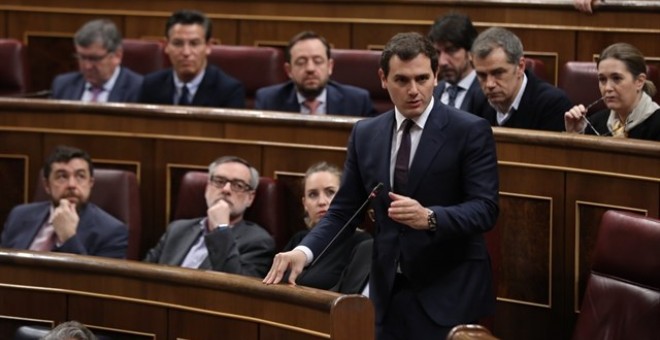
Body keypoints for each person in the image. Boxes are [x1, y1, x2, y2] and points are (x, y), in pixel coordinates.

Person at [264, 32, 499, 339]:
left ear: (435, 76)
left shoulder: (470, 130)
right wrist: (304, 252)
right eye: (402, 80)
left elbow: (485, 209)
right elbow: (343, 212)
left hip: (449, 291)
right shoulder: (366, 133)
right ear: (383, 78)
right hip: (386, 291)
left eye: (422, 78)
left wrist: (430, 217)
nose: (414, 90)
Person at [144, 156, 275, 278]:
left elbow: (236, 288)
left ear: (250, 198)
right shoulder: (177, 229)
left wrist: (221, 229)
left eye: (238, 185)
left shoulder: (258, 242)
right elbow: (144, 274)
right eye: (219, 181)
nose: (226, 189)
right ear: (207, 187)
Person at [1, 145, 128, 258]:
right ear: (46, 185)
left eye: (80, 176)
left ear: (90, 183)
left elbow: (96, 282)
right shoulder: (19, 215)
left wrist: (68, 237)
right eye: (62, 176)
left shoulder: (112, 232)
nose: (72, 184)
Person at [281, 162, 372, 293]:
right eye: (313, 194)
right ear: (304, 204)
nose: (322, 202)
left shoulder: (362, 244)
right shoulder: (299, 239)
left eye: (330, 192)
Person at [471, 27, 572, 131]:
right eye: (482, 75)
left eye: (498, 73)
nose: (489, 84)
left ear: (520, 66)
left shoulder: (552, 104)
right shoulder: (478, 99)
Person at [138, 9, 245, 108]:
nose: (186, 52)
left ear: (208, 46)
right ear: (166, 46)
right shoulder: (151, 85)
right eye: (178, 43)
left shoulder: (229, 91)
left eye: (194, 44)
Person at [254, 31, 377, 117]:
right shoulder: (268, 101)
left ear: (330, 66)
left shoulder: (357, 101)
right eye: (301, 62)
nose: (310, 68)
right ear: (289, 70)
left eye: (318, 61)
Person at [564, 43, 660, 140]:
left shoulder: (656, 124)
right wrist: (575, 136)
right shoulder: (594, 123)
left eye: (616, 78)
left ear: (639, 82)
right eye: (602, 79)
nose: (607, 88)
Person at [51, 19, 142, 103]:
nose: (87, 66)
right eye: (82, 57)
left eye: (94, 59)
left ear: (117, 56)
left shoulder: (139, 89)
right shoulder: (63, 85)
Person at [427, 13, 488, 116]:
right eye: (437, 52)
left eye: (451, 50)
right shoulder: (432, 91)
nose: (442, 62)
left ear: (470, 52)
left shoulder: (486, 92)